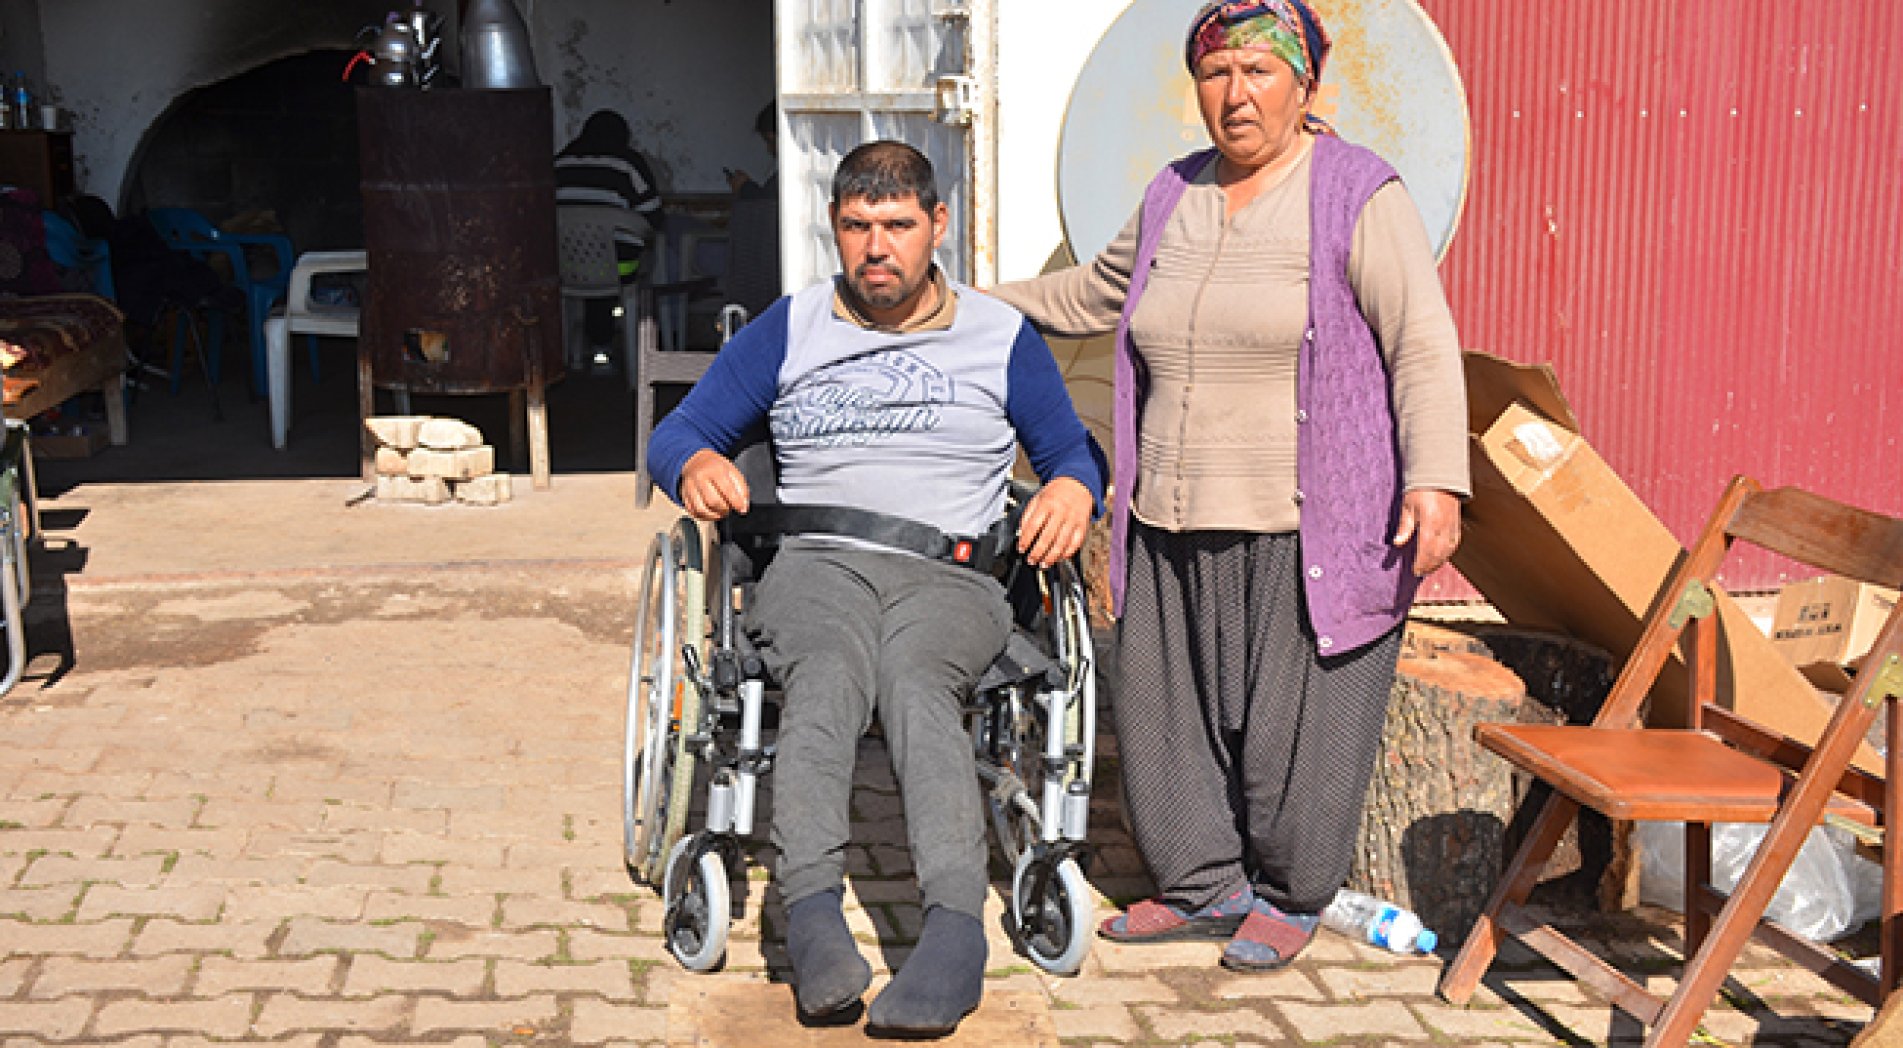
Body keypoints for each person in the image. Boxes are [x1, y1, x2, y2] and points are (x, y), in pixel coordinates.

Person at [989, 0, 1469, 972]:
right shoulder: (1174, 192)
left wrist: (1436, 481)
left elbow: (1421, 343)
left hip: (1303, 519)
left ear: (1303, 85)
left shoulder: (1353, 193)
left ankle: (1290, 895)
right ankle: (1201, 884)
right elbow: (1090, 293)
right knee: (1168, 710)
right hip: (1167, 503)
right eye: (1215, 73)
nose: (1234, 94)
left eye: (1257, 72)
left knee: (1300, 726)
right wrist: (955, 304)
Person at [646, 141, 1106, 1032]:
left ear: (937, 226)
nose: (876, 248)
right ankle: (812, 913)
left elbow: (1068, 452)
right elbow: (681, 431)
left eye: (897, 225)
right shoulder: (791, 326)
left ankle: (951, 933)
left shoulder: (998, 335)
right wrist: (696, 460)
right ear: (835, 229)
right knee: (822, 681)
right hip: (814, 562)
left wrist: (1072, 487)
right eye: (857, 227)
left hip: (950, 573)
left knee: (915, 686)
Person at [555, 109, 666, 361]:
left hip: (566, 269)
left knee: (594, 265)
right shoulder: (627, 164)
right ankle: (616, 350)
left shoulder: (559, 163)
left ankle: (592, 350)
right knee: (628, 259)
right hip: (619, 270)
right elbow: (653, 215)